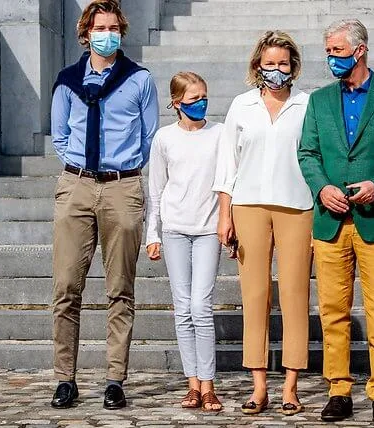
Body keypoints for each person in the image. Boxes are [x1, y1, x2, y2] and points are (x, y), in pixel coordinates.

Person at [298, 19, 374, 424]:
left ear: (360, 50)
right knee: (332, 310)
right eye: (328, 51)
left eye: (336, 50)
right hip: (330, 221)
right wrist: (320, 188)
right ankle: (338, 389)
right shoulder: (319, 101)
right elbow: (308, 154)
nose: (330, 58)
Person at [49, 0, 159, 410]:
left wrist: (121, 169)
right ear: (85, 33)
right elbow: (60, 134)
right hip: (76, 185)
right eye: (100, 27)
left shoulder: (139, 80)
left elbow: (150, 138)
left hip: (121, 187)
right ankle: (65, 378)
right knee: (66, 288)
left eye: (114, 27)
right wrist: (80, 167)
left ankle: (115, 378)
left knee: (120, 289)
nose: (107, 34)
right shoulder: (66, 81)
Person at [213, 30, 313, 416]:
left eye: (282, 64)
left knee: (293, 296)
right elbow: (228, 164)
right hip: (249, 206)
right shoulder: (241, 106)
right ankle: (258, 387)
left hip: (297, 207)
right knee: (255, 296)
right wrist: (225, 215)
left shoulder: (308, 104)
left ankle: (290, 386)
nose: (276, 70)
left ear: (293, 67)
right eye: (269, 64)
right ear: (258, 66)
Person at [145, 72, 223, 411]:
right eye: (193, 99)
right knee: (182, 308)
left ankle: (209, 385)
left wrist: (227, 224)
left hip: (208, 229)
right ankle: (192, 383)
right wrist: (153, 233)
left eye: (204, 96)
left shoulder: (219, 133)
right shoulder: (164, 138)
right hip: (175, 229)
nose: (200, 103)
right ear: (177, 103)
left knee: (200, 307)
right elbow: (156, 189)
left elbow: (226, 183)